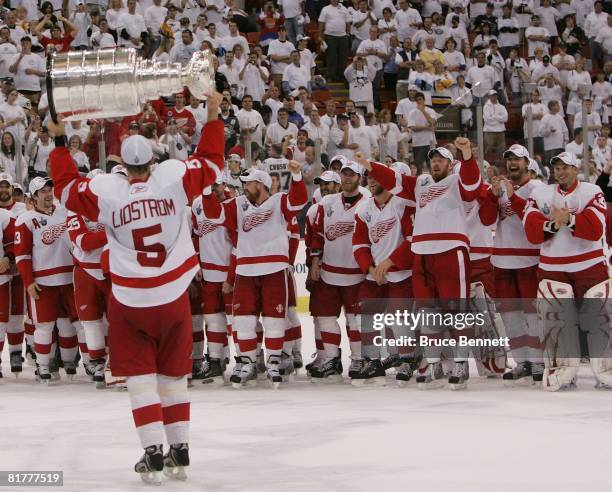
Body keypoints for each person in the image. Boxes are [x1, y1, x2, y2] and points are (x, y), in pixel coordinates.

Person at [47, 91, 224, 483]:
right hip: (173, 295)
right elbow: (212, 162)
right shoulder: (173, 178)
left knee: (142, 380)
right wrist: (212, 117)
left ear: (124, 165)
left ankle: (153, 451)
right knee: (174, 375)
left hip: (130, 299)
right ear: (153, 160)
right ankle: (180, 446)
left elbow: (64, 188)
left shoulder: (108, 190)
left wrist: (60, 142)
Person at [355, 138, 482, 390]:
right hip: (422, 253)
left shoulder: (458, 181)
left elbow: (472, 184)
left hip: (450, 249)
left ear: (450, 164)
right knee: (427, 312)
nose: (435, 163)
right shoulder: (421, 183)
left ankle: (460, 363)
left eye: (441, 160)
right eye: (433, 160)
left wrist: (467, 154)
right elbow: (395, 182)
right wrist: (370, 165)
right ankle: (433, 363)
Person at [201, 162, 308, 388]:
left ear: (260, 184)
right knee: (244, 321)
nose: (244, 187)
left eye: (248, 183)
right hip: (245, 271)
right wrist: (207, 191)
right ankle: (248, 362)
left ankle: (273, 361)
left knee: (274, 321)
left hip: (274, 270)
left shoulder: (278, 201)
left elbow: (298, 201)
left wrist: (297, 175)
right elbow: (214, 215)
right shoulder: (238, 204)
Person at [522, 151, 610, 390]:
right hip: (552, 267)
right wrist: (555, 223)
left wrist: (568, 219)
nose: (560, 172)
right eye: (557, 168)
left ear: (576, 169)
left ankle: (607, 370)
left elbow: (595, 230)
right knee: (557, 322)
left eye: (565, 167)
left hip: (589, 266)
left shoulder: (592, 191)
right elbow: (531, 231)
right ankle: (563, 370)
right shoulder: (539, 194)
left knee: (601, 317)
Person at [488, 144, 543, 384]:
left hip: (529, 259)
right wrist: (490, 195)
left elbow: (535, 223)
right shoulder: (501, 189)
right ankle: (522, 362)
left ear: (527, 163)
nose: (512, 164)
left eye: (517, 160)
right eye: (508, 159)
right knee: (510, 316)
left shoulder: (537, 189)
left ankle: (539, 363)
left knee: (533, 315)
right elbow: (486, 219)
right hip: (501, 259)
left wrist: (512, 196)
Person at [308, 160, 367, 381]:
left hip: (357, 273)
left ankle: (360, 359)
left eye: (352, 175)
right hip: (329, 272)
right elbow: (318, 234)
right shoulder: (327, 203)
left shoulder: (368, 201)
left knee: (356, 320)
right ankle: (331, 360)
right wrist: (315, 260)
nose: (348, 178)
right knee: (325, 317)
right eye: (344, 174)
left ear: (360, 178)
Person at [318, 0, 350, 82]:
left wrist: (348, 34)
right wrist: (320, 36)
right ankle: (330, 75)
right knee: (331, 57)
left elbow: (348, 22)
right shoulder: (325, 9)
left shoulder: (344, 9)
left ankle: (341, 75)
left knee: (343, 57)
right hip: (330, 36)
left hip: (343, 36)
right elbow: (321, 23)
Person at [405, 92, 436, 173]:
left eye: (420, 99)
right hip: (418, 143)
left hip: (430, 142)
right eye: (417, 100)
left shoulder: (430, 111)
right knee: (418, 167)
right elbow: (413, 128)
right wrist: (426, 127)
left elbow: (432, 122)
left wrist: (423, 111)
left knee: (432, 166)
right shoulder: (412, 113)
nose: (419, 101)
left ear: (424, 100)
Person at [483, 90, 508, 158]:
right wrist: (500, 119)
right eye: (492, 95)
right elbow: (487, 120)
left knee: (501, 150)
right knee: (488, 151)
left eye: (495, 95)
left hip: (500, 131)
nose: (494, 97)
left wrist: (494, 116)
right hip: (489, 132)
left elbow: (505, 118)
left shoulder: (502, 107)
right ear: (489, 97)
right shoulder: (486, 107)